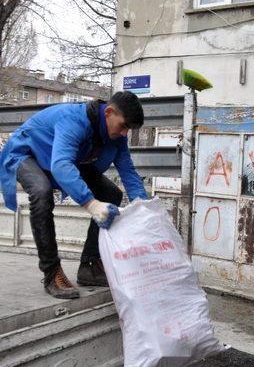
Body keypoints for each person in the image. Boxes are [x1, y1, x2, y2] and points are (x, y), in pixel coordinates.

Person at [0, 92, 148, 299]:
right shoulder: (73, 121)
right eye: (123, 126)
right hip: (26, 154)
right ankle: (52, 272)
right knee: (41, 192)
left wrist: (145, 208)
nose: (125, 133)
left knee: (110, 193)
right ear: (109, 112)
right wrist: (91, 204)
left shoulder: (117, 137)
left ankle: (90, 266)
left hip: (60, 158)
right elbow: (61, 166)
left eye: (128, 130)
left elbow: (128, 172)